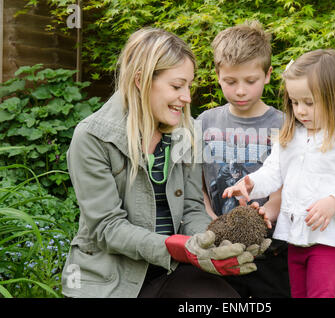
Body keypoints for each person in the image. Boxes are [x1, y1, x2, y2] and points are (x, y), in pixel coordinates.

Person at [60, 27, 268, 298]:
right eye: (176, 86)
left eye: (188, 85)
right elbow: (106, 228)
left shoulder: (188, 132)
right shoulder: (92, 137)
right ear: (141, 80)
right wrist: (178, 246)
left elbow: (193, 208)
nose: (187, 97)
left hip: (171, 271)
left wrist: (220, 239)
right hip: (111, 280)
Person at [223, 49, 335, 298]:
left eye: (309, 102)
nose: (300, 111)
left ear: (334, 97)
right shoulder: (291, 136)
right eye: (295, 102)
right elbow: (273, 173)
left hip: (330, 241)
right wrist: (250, 183)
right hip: (295, 238)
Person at [197, 21, 291, 298]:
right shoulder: (205, 122)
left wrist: (266, 217)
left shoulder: (284, 125)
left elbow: (286, 182)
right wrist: (210, 222)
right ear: (217, 75)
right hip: (217, 246)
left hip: (271, 248)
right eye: (230, 81)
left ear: (268, 74)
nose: (240, 91)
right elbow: (198, 184)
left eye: (250, 81)